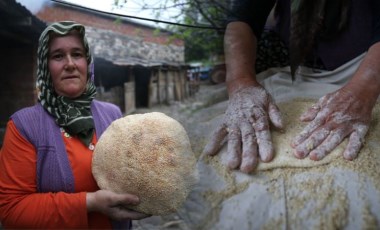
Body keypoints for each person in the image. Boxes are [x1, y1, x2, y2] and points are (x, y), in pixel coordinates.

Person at [0, 21, 149, 228]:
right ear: (45, 66)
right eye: (58, 56)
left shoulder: (112, 114)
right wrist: (90, 202)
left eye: (77, 54)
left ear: (88, 63)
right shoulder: (24, 126)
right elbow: (12, 210)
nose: (70, 64)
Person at [203, 0, 380, 173]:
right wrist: (240, 83)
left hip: (362, 59)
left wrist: (363, 89)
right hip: (293, 56)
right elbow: (243, 17)